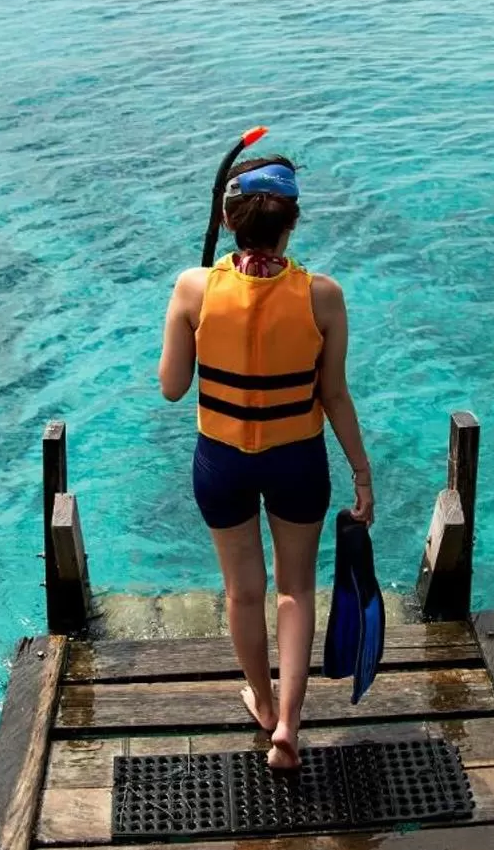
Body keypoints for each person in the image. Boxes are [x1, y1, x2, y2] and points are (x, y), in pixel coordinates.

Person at [157, 156, 374, 770]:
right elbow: (334, 394)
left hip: (221, 461)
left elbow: (172, 387)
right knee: (296, 590)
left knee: (242, 592)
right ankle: (289, 724)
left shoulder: (193, 288)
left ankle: (262, 694)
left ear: (228, 221)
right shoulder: (323, 296)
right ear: (291, 222)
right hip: (298, 461)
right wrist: (361, 470)